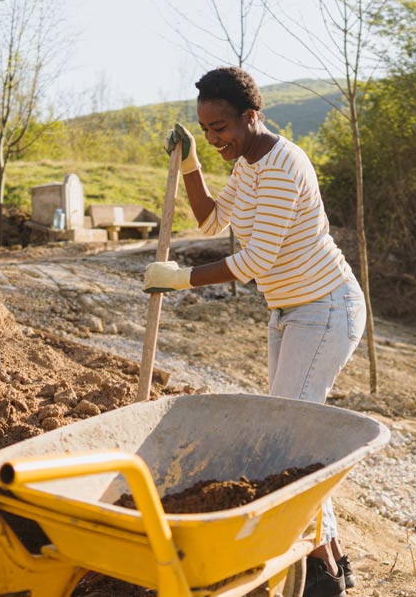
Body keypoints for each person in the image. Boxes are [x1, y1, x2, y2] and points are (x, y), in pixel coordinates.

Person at [141, 67, 365, 597]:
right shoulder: (249, 163)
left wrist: (182, 279)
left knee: (289, 444)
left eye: (221, 127)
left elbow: (257, 257)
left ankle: (322, 578)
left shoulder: (284, 165)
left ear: (251, 115)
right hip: (288, 312)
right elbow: (211, 221)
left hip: (324, 308)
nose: (217, 138)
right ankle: (332, 566)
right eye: (207, 129)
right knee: (292, 437)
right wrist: (194, 164)